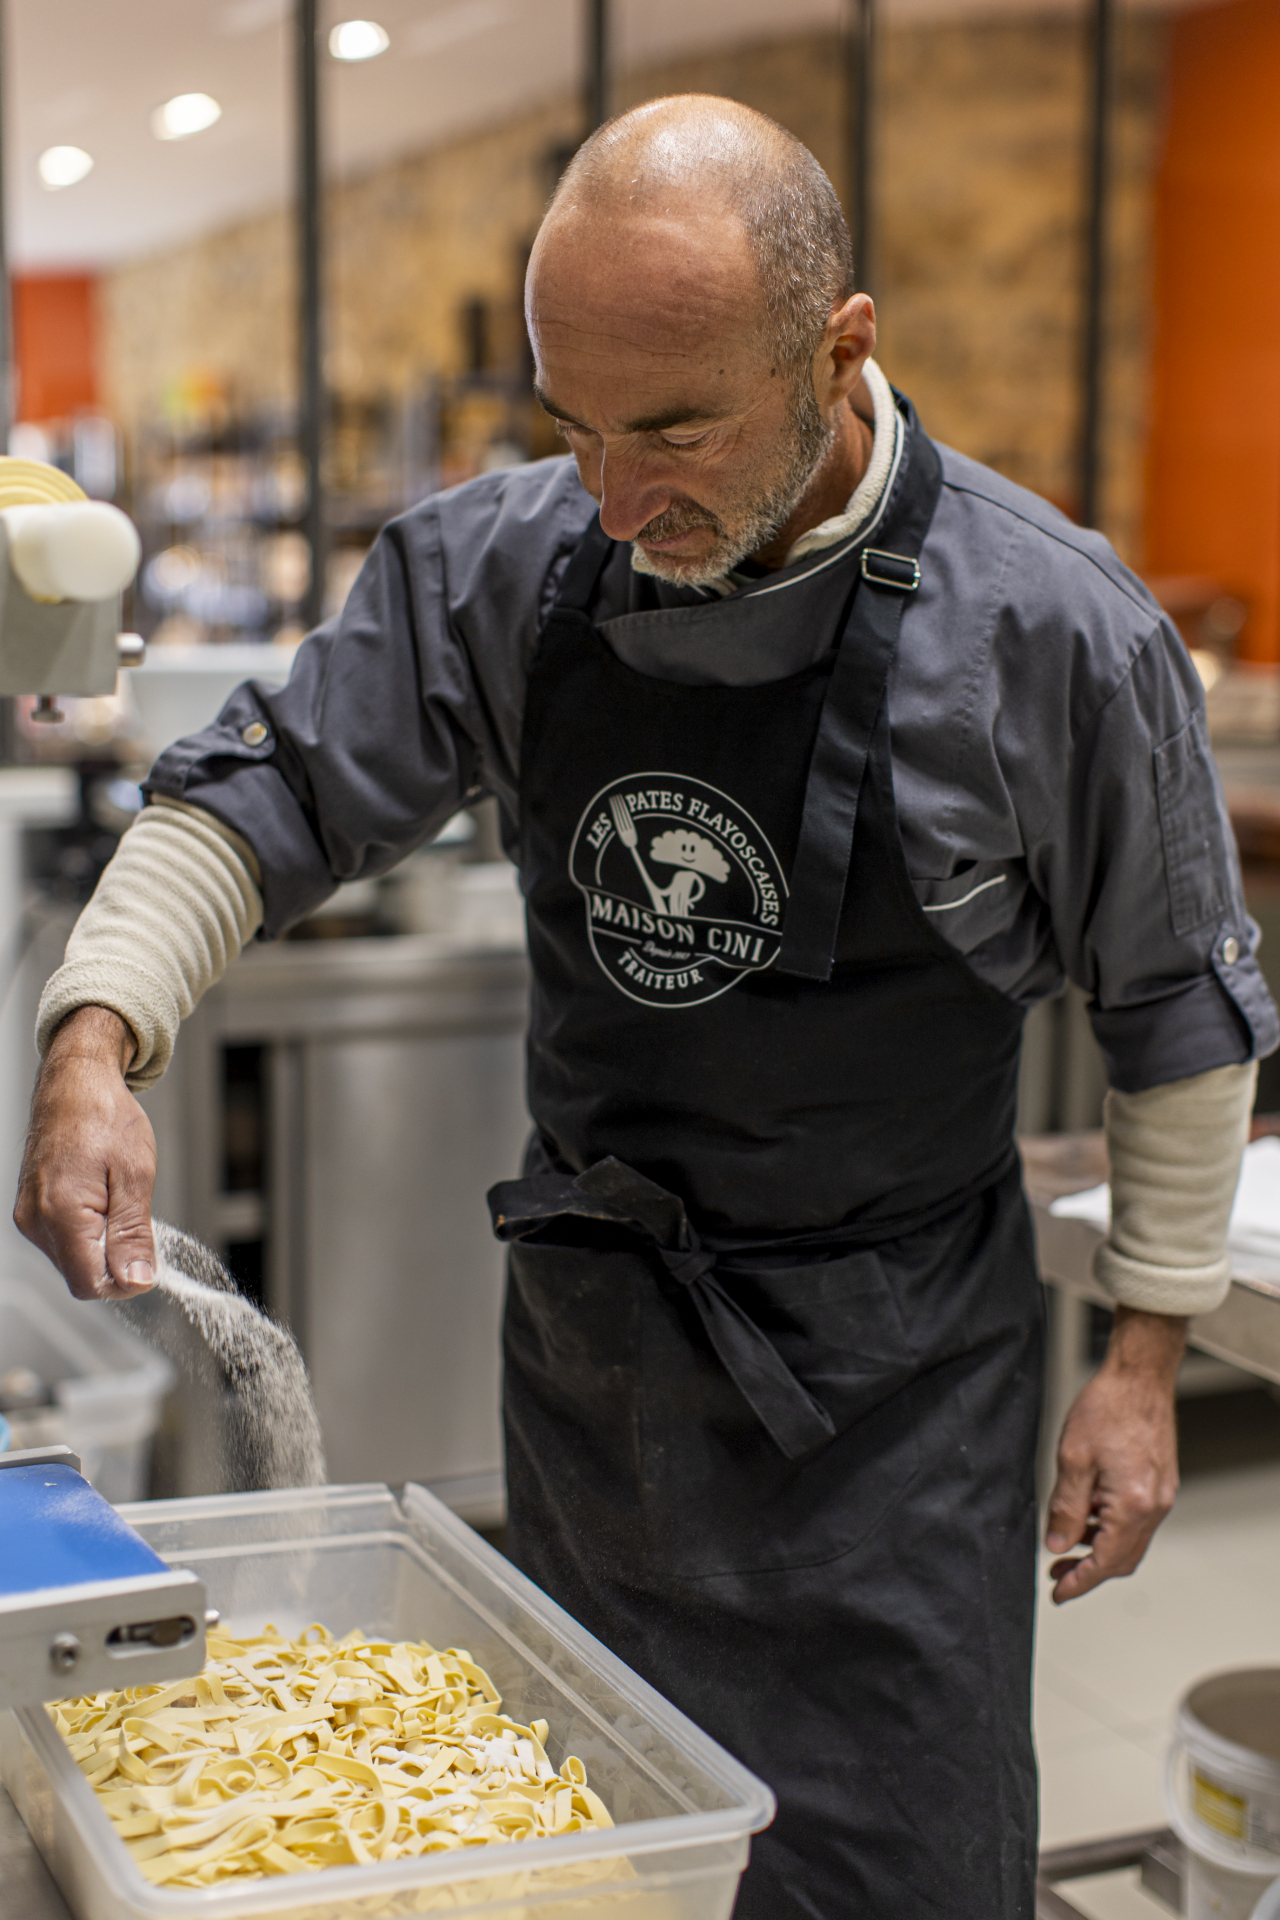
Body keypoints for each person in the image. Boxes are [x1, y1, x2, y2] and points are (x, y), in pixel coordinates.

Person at [16, 97, 1275, 1919]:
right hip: (598, 1368)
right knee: (592, 1850)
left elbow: (1173, 1006)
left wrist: (1147, 1363)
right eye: (572, 428)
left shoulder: (1052, 633)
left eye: (675, 432)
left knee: (890, 1874)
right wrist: (93, 1037)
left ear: (837, 349)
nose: (613, 500)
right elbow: (265, 789)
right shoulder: (503, 567)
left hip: (896, 1403)